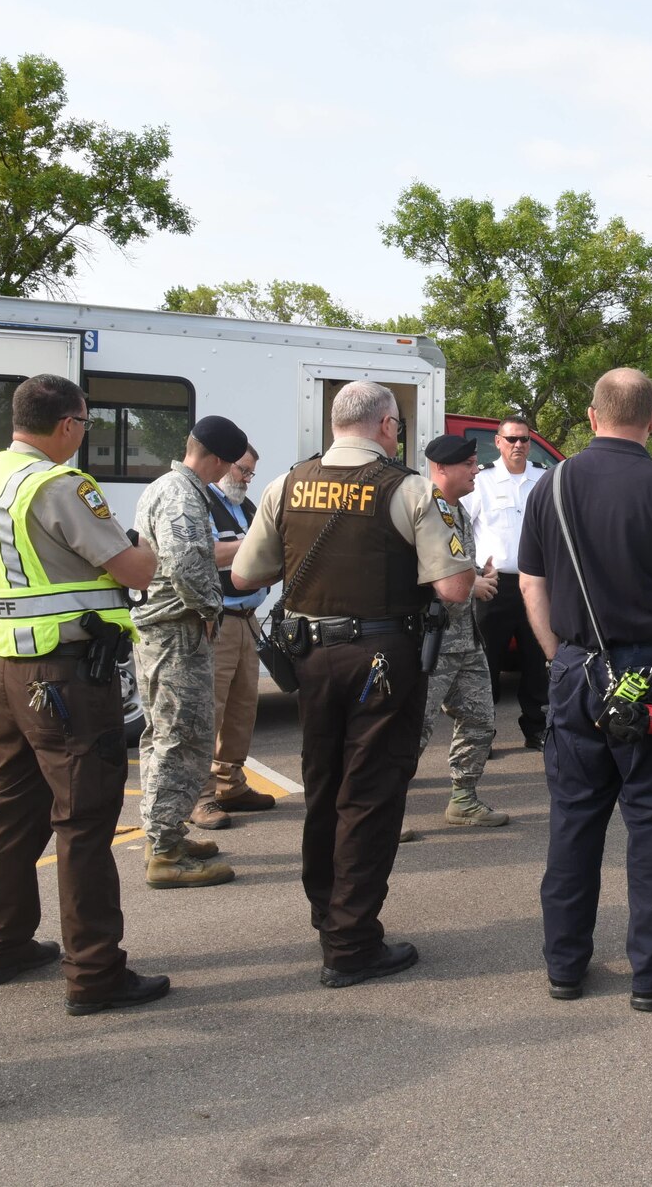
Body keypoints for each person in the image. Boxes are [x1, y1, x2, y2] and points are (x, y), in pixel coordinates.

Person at [232, 381, 475, 987]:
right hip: (383, 659)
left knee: (325, 785)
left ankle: (328, 913)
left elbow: (244, 574)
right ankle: (351, 943)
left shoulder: (284, 484)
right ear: (388, 425)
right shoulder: (412, 489)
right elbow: (453, 589)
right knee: (369, 794)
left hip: (310, 657)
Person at [0, 373, 168, 1015]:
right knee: (84, 820)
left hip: (7, 670)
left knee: (12, 811)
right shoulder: (61, 486)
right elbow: (135, 570)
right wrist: (141, 546)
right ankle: (96, 973)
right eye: (84, 425)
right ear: (68, 425)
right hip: (66, 674)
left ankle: (4, 944)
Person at [518, 368, 652, 1011]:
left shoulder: (548, 487)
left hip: (576, 672)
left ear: (590, 416)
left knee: (574, 821)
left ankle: (565, 967)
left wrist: (560, 658)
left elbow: (532, 584)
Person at [133, 415, 248, 890]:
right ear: (218, 460)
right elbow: (184, 561)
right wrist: (207, 607)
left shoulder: (165, 486)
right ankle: (165, 853)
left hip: (164, 631)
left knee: (164, 736)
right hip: (176, 631)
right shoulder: (182, 495)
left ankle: (166, 836)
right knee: (182, 737)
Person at [418, 433, 508, 827]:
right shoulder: (424, 510)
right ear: (441, 468)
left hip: (465, 639)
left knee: (480, 720)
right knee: (410, 731)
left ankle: (463, 799)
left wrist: (476, 576)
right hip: (430, 643)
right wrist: (475, 585)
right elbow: (424, 576)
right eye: (468, 464)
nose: (476, 470)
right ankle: (379, 812)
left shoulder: (456, 509)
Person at [193, 445, 275, 832]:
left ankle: (230, 783)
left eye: (251, 473)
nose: (246, 478)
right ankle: (201, 795)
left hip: (247, 618)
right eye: (243, 470)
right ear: (223, 464)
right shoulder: (201, 501)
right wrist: (257, 546)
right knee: (210, 709)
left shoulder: (245, 505)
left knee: (243, 707)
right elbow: (208, 553)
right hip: (218, 618)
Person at [464, 415, 549, 751]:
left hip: (536, 584)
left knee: (536, 662)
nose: (518, 445)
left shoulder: (543, 480)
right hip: (493, 585)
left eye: (524, 440)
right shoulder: (481, 481)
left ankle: (537, 728)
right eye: (511, 439)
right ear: (497, 441)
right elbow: (461, 530)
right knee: (487, 664)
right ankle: (483, 734)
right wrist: (470, 573)